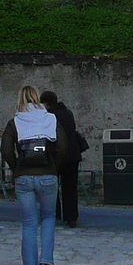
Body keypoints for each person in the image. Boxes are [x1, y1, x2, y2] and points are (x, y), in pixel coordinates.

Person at [1, 85, 69, 265]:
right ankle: (46, 259)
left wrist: (17, 168)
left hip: (24, 176)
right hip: (47, 174)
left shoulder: (15, 122)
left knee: (29, 223)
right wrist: (52, 165)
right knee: (48, 217)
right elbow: (62, 146)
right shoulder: (50, 118)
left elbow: (6, 150)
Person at [41, 90, 85, 227]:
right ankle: (71, 217)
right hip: (73, 154)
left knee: (51, 186)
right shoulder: (68, 113)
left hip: (56, 155)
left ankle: (54, 214)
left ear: (46, 104)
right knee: (70, 187)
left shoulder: (48, 116)